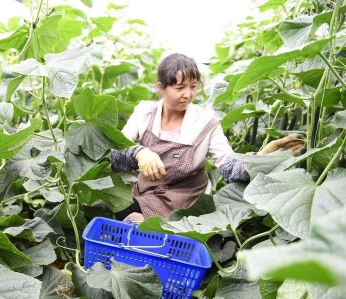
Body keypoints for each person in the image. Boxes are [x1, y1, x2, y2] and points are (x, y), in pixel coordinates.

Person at [110, 53, 304, 222]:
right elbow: (115, 156)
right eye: (179, 88)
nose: (188, 94)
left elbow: (229, 168)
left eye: (193, 87)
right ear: (161, 88)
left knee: (148, 231)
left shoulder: (205, 121)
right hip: (147, 197)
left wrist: (263, 156)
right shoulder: (145, 112)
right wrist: (139, 152)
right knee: (124, 213)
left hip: (189, 205)